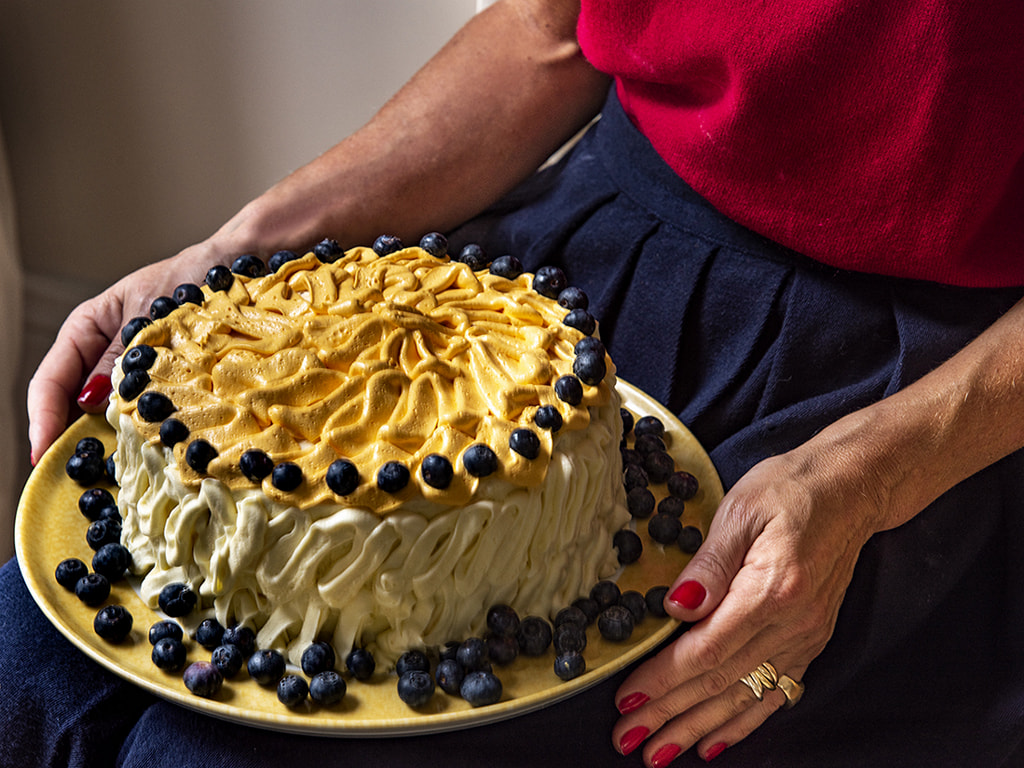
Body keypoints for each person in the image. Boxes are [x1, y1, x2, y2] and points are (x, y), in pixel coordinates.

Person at [6, 0, 1024, 765]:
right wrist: (239, 253)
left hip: (919, 399)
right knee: (21, 659)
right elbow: (555, 31)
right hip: (556, 292)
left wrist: (872, 480)